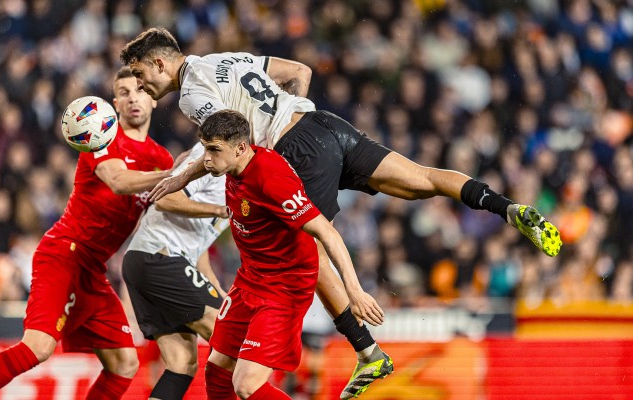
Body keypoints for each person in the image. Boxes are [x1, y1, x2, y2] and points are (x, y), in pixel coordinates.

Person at [119, 27, 562, 398]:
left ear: (160, 63)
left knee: (305, 247)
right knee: (421, 180)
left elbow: (227, 138)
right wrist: (295, 119)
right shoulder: (226, 58)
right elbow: (300, 72)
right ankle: (505, 206)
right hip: (324, 124)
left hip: (295, 152)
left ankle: (367, 351)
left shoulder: (191, 94)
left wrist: (191, 173)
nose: (142, 87)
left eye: (140, 75)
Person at [0, 66, 175, 400]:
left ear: (155, 98)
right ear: (114, 102)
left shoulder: (160, 158)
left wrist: (216, 203)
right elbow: (119, 180)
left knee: (124, 363)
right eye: (125, 92)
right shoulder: (100, 135)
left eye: (141, 90)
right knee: (38, 348)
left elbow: (174, 201)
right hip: (64, 253)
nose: (133, 98)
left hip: (93, 269)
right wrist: (175, 174)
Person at [199, 109, 383, 400]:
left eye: (213, 150)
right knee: (217, 368)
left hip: (283, 287)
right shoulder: (233, 162)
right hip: (250, 278)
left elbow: (327, 232)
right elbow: (211, 159)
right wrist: (178, 179)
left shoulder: (271, 179)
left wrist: (354, 290)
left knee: (247, 385)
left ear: (241, 148)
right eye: (204, 148)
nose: (206, 158)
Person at [122, 143, 229, 400]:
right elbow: (166, 197)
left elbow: (198, 251)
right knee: (231, 337)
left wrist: (221, 295)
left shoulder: (236, 175)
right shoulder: (209, 158)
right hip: (159, 258)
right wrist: (218, 210)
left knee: (182, 363)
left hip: (149, 261)